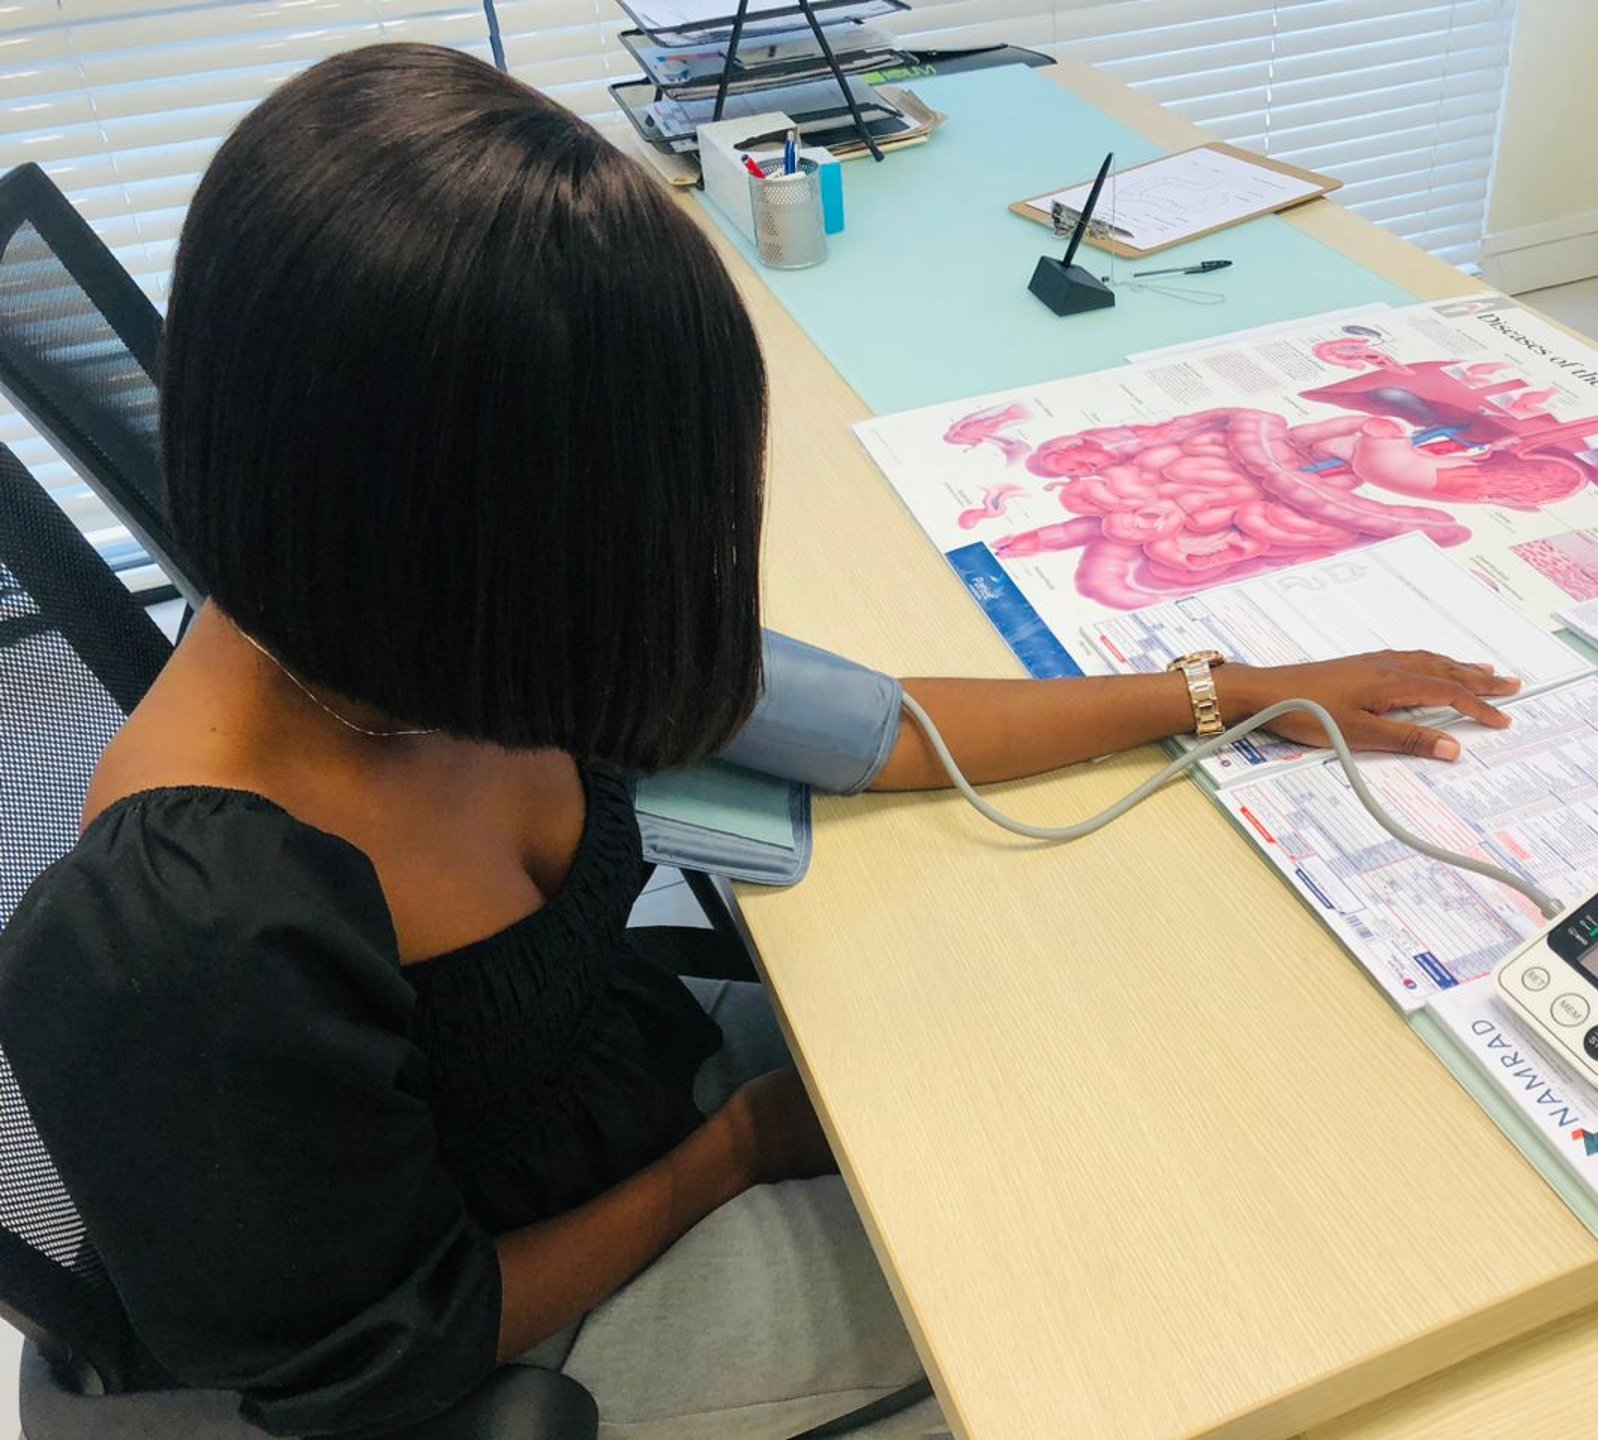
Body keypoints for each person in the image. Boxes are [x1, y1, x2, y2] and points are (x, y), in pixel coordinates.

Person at [0, 43, 1519, 1440]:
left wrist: (1224, 688)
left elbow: (868, 731)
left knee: (1091, 1048)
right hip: (524, 1332)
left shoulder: (430, 623)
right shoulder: (188, 937)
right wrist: (730, 1153)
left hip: (626, 1091)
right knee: (1130, 1311)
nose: (666, 571)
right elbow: (381, 1351)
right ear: (464, 528)